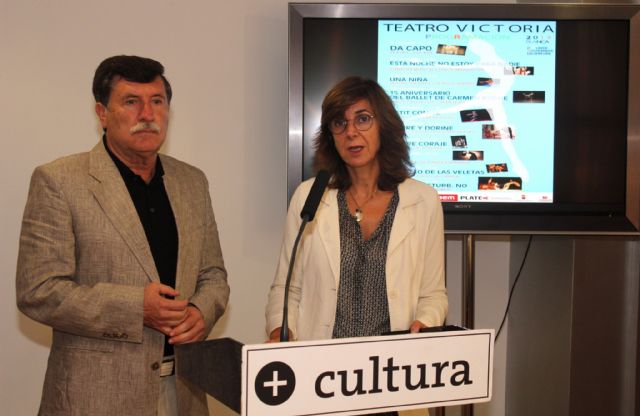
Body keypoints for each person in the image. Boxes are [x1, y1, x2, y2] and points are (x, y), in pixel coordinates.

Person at [16, 55, 230, 416]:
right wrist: (135, 309)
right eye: (131, 102)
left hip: (185, 392)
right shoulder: (59, 181)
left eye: (157, 101)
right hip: (95, 397)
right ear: (102, 113)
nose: (147, 114)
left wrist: (201, 311)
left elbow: (213, 276)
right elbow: (38, 291)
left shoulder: (192, 182)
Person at [265, 76, 448, 414]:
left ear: (384, 126)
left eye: (363, 119)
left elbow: (433, 293)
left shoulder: (423, 201)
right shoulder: (309, 196)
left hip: (392, 378)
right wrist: (280, 330)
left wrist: (425, 324)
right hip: (321, 379)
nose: (351, 132)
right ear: (330, 136)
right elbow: (286, 288)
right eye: (339, 123)